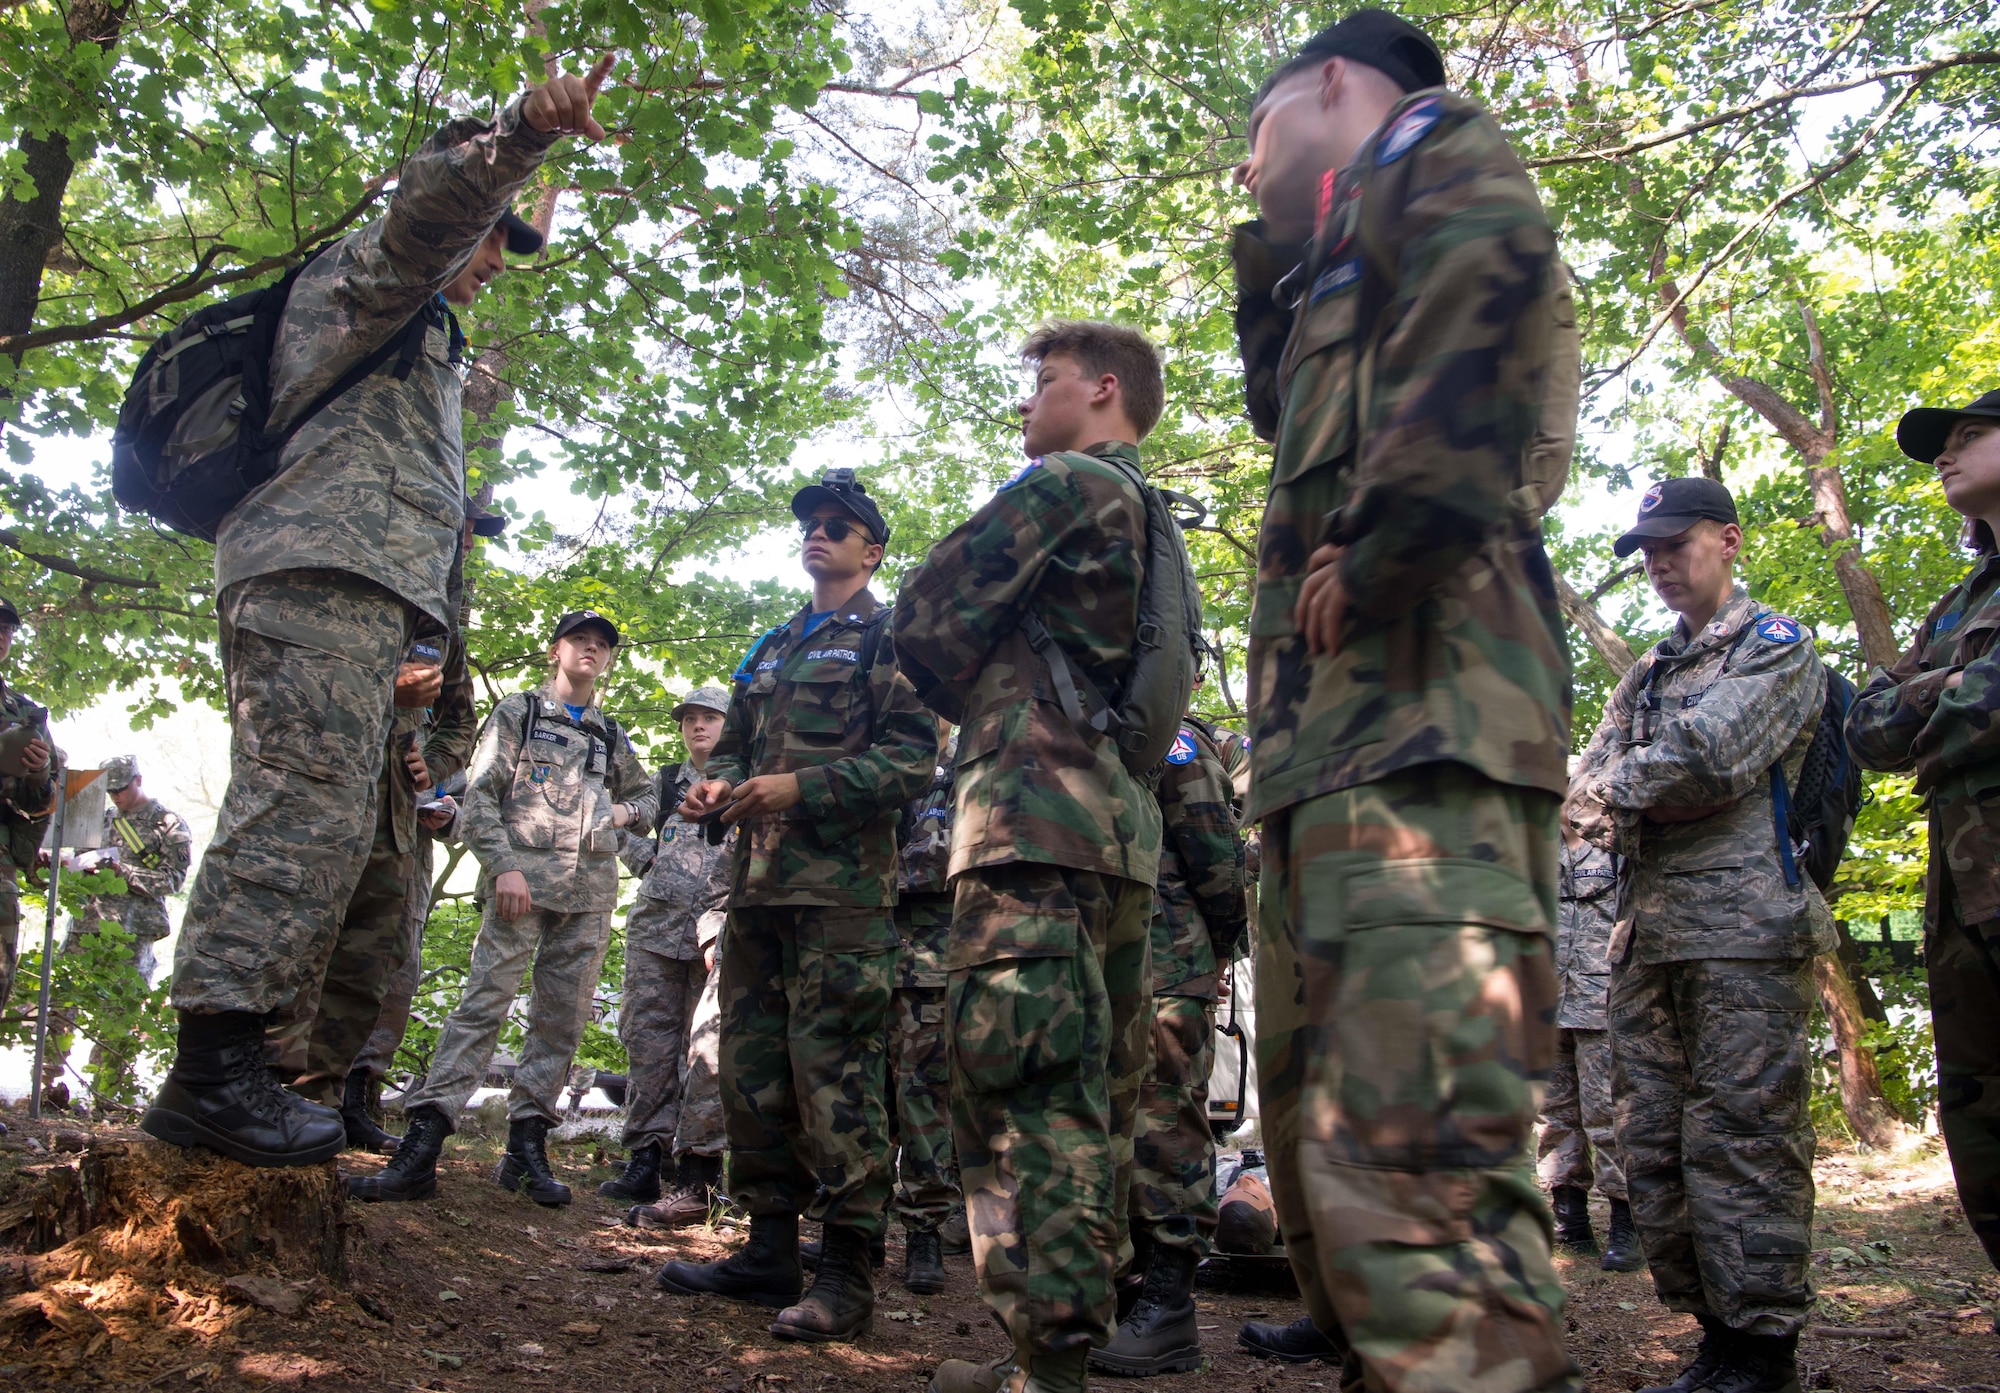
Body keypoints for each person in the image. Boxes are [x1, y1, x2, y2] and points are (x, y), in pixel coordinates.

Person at [141, 56, 618, 1169]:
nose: (498, 259)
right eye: (496, 234)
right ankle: (209, 1073)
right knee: (294, 813)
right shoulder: (375, 279)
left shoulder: (428, 343)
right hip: (314, 577)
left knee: (331, 831)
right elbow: (427, 212)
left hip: (358, 598)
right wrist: (521, 137)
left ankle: (251, 1063)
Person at [1227, 12, 1577, 1390]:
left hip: (1428, 727)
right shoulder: (1337, 240)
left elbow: (1484, 303)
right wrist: (1272, 249)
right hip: (1340, 751)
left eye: (1256, 139)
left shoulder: (1436, 146)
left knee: (1421, 1174)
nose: (1243, 170)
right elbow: (1281, 411)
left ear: (1329, 85)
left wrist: (1384, 548)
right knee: (1339, 1164)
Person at [893, 320, 1166, 1393]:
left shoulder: (1063, 485)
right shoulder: (1151, 512)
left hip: (1028, 827)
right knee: (1091, 1099)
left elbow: (921, 615)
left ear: (1101, 391)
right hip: (1115, 838)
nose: (1024, 404)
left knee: (1023, 1091)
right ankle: (1055, 1351)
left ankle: (1042, 1373)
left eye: (1041, 383)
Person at [1568, 477, 1833, 1393]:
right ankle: (1716, 1334)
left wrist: (1614, 790)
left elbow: (1711, 756)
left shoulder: (1776, 647)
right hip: (1646, 938)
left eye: (1675, 543)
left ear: (1730, 538)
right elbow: (1597, 777)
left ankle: (1762, 1349)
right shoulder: (1645, 673)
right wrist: (1624, 790)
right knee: (1658, 1142)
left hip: (1743, 934)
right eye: (1647, 550)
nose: (1658, 564)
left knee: (1744, 1137)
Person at [658, 471, 937, 1344]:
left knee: (840, 1079)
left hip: (842, 898)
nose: (817, 534)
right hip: (756, 893)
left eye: (838, 525)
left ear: (872, 548)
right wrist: (713, 785)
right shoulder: (773, 644)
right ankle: (768, 1248)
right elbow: (734, 743)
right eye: (810, 524)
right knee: (752, 1072)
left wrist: (796, 788)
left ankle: (847, 1273)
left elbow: (911, 762)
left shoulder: (895, 637)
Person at [352, 609, 656, 1204]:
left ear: (609, 659)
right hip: (521, 887)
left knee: (560, 1023)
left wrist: (624, 813)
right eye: (579, 642)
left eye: (601, 646)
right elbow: (482, 797)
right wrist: (504, 867)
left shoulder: (609, 734)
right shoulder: (519, 713)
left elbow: (645, 795)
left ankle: (525, 1150)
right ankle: (423, 1143)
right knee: (481, 1009)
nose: (590, 652)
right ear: (555, 651)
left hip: (590, 898)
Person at [1847, 388, 2000, 1283]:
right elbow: (1868, 725)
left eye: (1970, 436)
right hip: (1965, 906)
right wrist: (1953, 686)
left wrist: (1936, 698)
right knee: (1982, 1138)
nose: (1944, 455)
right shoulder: (1957, 605)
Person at [337, 491, 503, 1150]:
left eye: (473, 535)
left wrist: (429, 770)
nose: (466, 543)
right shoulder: (362, 588)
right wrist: (385, 693)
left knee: (394, 955)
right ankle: (295, 1084)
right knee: (322, 939)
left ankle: (358, 1094)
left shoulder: (444, 627)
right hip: (336, 803)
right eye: (459, 529)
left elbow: (459, 716)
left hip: (404, 822)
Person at [1094, 715, 1248, 1377]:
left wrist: (1219, 947)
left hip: (1168, 956)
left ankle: (1171, 1302)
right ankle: (1135, 1285)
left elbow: (1216, 852)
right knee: (1117, 1124)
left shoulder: (1174, 737)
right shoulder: (1093, 721)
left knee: (1165, 1124)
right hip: (1111, 958)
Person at [599, 684, 735, 1207]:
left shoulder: (742, 786)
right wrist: (645, 861)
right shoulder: (663, 784)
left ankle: (699, 1170)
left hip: (716, 940)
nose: (698, 727)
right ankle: (644, 1159)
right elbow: (615, 822)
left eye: (710, 718)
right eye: (689, 719)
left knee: (708, 1052)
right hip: (656, 935)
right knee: (648, 1046)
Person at [42, 755, 192, 1105]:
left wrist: (124, 871)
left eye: (121, 788)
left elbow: (172, 880)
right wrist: (67, 864)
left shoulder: (167, 824)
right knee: (62, 1006)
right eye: (109, 790)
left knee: (119, 1014)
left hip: (131, 933)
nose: (115, 797)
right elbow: (78, 864)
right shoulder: (99, 817)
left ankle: (105, 1095)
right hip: (85, 926)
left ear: (138, 780)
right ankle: (48, 1086)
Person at [1536, 809, 1641, 1272]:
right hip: (1544, 999)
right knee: (1554, 1114)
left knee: (1608, 1113)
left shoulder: (1615, 845)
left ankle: (1626, 1221)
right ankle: (1569, 1218)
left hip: (1601, 997)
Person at [887, 721, 962, 1295]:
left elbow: (950, 861)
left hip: (932, 963)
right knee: (856, 1095)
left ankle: (925, 1235)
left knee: (923, 1101)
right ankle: (854, 1230)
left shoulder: (967, 769)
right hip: (859, 952)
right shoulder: (876, 759)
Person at [0, 596, 57, 1092]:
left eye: (7, 629)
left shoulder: (23, 712)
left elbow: (41, 803)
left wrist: (38, 772)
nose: (0, 634)